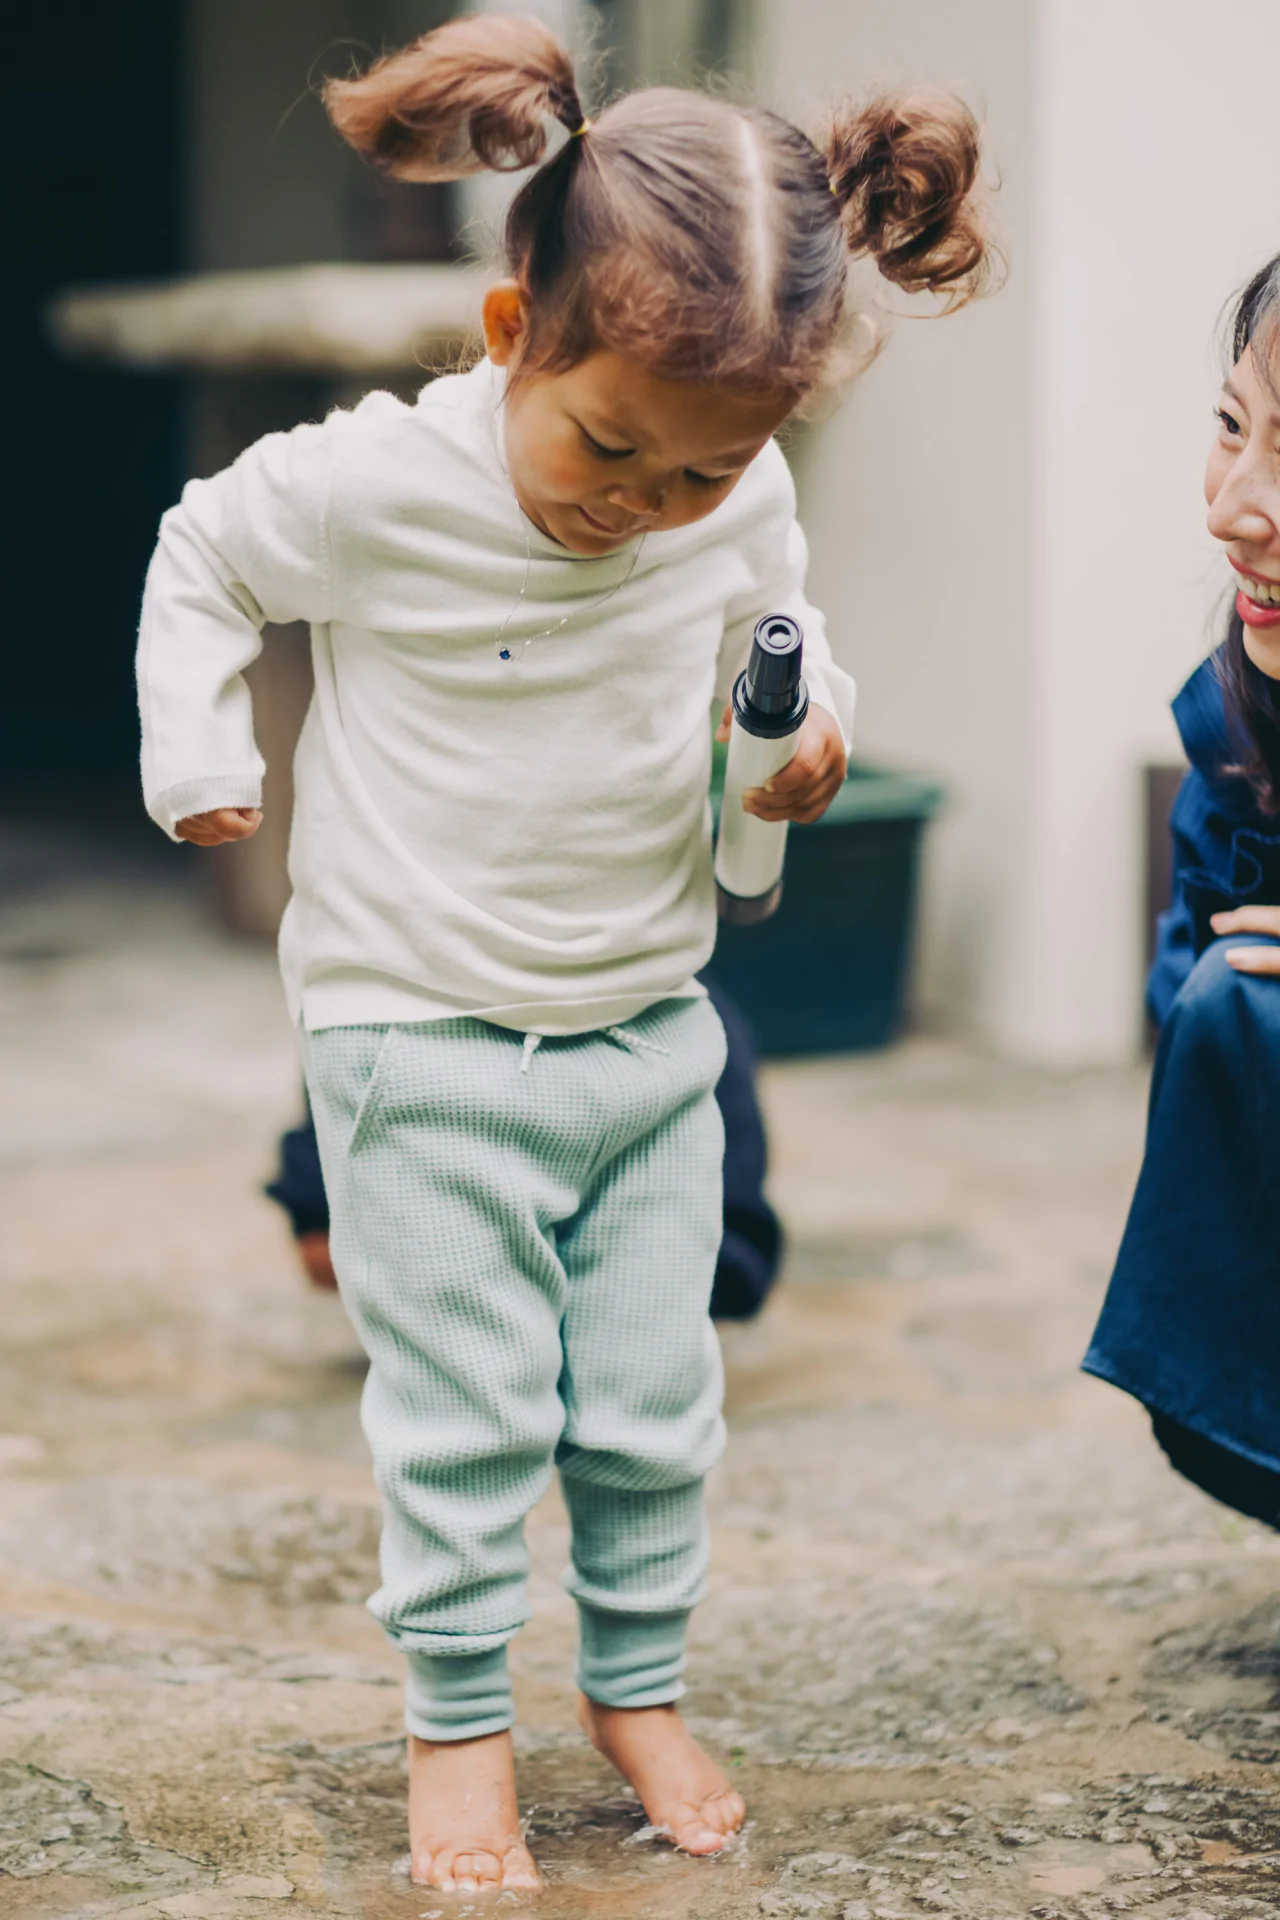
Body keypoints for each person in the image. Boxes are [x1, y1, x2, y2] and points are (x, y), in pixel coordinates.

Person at [135, 14, 994, 1892]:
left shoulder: (729, 496)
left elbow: (775, 639)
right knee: (464, 1416)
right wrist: (201, 751)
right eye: (610, 448)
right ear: (516, 334)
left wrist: (803, 736)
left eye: (696, 476)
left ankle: (634, 1681)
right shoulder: (376, 484)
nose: (642, 506)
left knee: (648, 1399)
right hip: (416, 1032)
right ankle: (457, 1721)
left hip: (646, 1027)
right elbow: (203, 554)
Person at [1084, 253, 1280, 1526]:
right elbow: (1187, 1004)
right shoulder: (1234, 726)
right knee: (1232, 1005)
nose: (1234, 508)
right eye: (1230, 428)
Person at [268, 967, 785, 1320]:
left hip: (640, 1278)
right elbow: (319, 1247)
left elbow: (734, 1262)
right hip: (445, 1277)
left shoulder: (680, 1016)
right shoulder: (384, 1005)